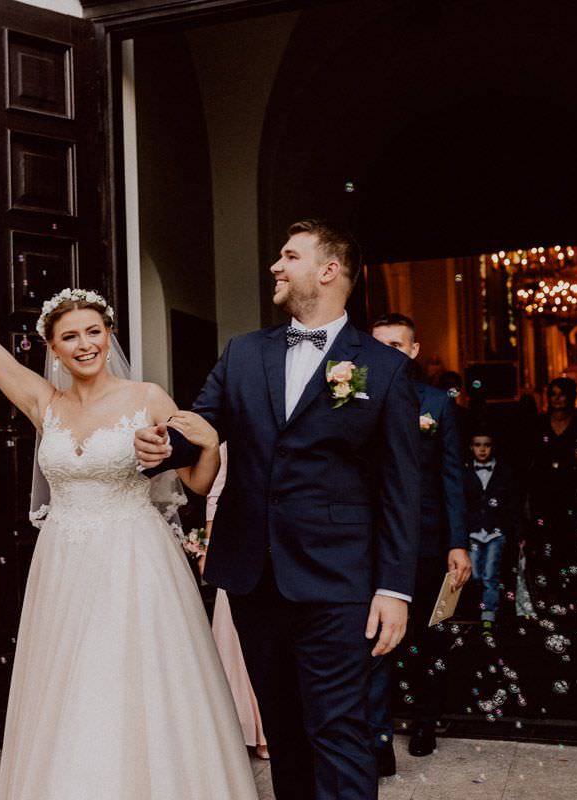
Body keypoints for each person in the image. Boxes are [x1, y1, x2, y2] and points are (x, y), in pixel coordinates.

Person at [0, 213, 259, 800]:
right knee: (73, 681)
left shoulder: (147, 397)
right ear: (53, 348)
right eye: (70, 336)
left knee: (132, 677)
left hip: (136, 560)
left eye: (94, 332)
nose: (85, 344)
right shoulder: (44, 402)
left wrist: (211, 445)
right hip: (64, 561)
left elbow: (194, 483)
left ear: (109, 335)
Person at [137, 219, 420, 800]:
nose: (275, 266)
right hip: (253, 575)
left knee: (339, 730)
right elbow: (202, 424)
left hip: (338, 580)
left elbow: (400, 488)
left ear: (329, 270)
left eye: (290, 256)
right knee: (284, 729)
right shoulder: (244, 352)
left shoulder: (383, 367)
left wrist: (394, 589)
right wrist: (166, 446)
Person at [367, 313, 470, 769]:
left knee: (430, 637)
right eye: (378, 344)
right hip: (371, 540)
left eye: (395, 345)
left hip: (427, 538)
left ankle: (426, 721)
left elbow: (452, 478)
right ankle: (378, 739)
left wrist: (457, 542)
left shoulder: (436, 403)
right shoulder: (354, 397)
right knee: (373, 639)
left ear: (413, 350)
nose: (386, 352)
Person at [204, 445, 268, 759]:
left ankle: (267, 730)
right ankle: (241, 726)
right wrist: (209, 544)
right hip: (239, 547)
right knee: (237, 645)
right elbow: (215, 491)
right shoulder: (233, 439)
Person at [525, 377, 577, 612]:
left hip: (573, 495)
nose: (558, 398)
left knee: (572, 546)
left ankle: (573, 596)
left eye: (562, 394)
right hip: (544, 495)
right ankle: (550, 596)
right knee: (545, 546)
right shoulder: (539, 423)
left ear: (571, 396)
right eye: (553, 394)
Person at [465, 431, 517, 634]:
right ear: (471, 447)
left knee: (490, 575)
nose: (482, 449)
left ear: (492, 447)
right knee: (474, 574)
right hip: (473, 531)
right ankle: (474, 607)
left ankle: (488, 615)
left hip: (496, 532)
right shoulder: (464, 472)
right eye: (478, 445)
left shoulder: (504, 472)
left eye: (486, 445)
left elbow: (512, 504)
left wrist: (517, 532)